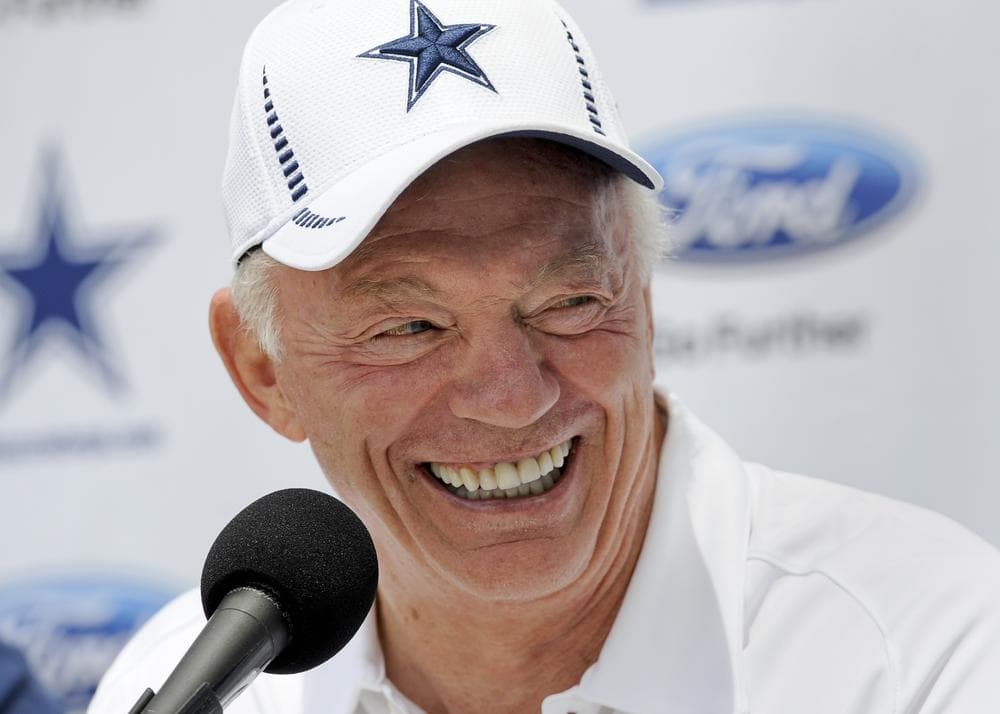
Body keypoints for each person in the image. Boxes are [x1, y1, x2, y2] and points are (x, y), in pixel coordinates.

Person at [89, 0, 1000, 712]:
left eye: (568, 303)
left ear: (642, 302)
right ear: (262, 368)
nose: (511, 398)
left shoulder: (924, 656)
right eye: (409, 327)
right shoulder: (194, 688)